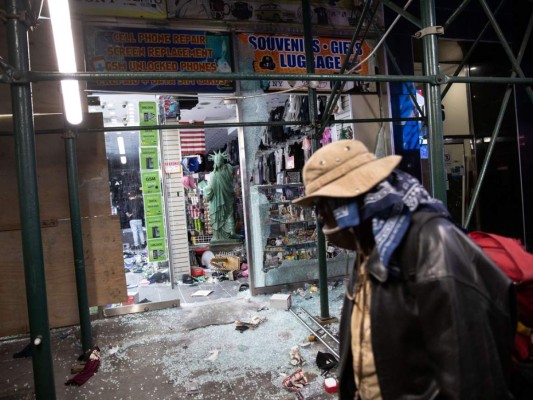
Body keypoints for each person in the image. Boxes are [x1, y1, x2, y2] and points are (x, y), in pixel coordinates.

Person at [293, 139, 517, 400]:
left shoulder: (432, 245)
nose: (320, 217)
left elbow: (472, 379)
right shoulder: (370, 247)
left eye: (322, 206)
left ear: (346, 201)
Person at [202, 150, 241, 243]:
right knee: (229, 215)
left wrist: (204, 189)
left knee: (221, 216)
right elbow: (230, 170)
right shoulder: (227, 171)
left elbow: (209, 191)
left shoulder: (213, 175)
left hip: (217, 201)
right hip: (226, 198)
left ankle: (222, 235)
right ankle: (231, 233)